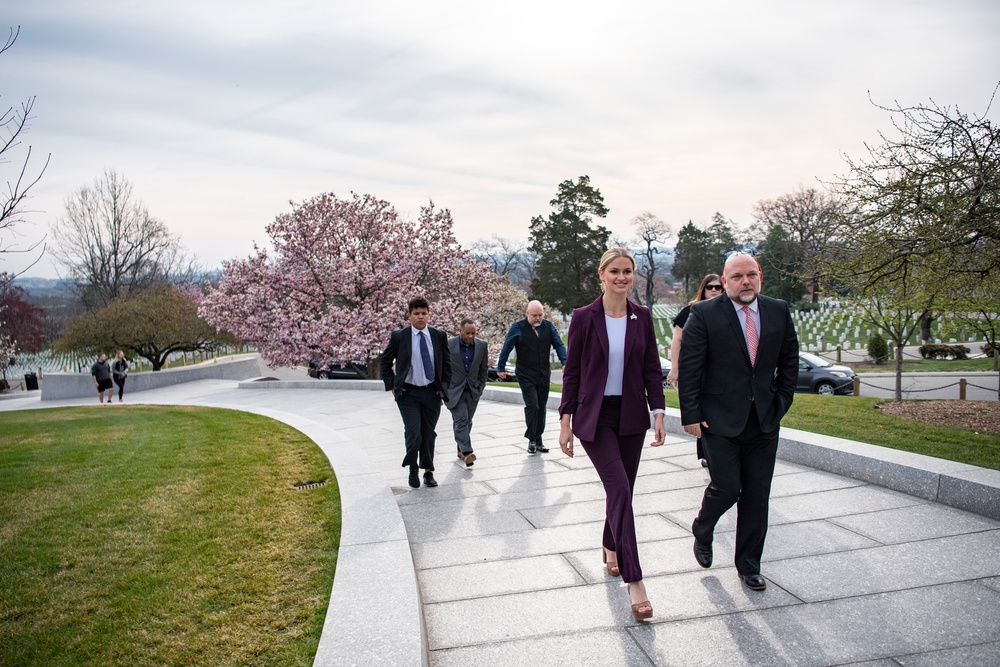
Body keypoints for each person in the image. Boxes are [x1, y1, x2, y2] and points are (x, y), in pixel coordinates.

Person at [678, 251, 799, 591]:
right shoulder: (703, 314)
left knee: (757, 495)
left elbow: (790, 360)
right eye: (737, 277)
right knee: (728, 487)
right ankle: (703, 526)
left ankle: (749, 565)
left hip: (764, 419)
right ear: (725, 279)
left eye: (751, 275)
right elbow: (690, 369)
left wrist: (782, 401)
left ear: (759, 275)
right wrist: (692, 414)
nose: (745, 282)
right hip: (719, 420)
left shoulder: (778, 310)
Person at [558, 248, 666, 621]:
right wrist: (565, 420)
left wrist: (659, 412)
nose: (622, 277)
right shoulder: (584, 318)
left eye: (628, 272)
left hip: (632, 417)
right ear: (601, 275)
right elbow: (572, 372)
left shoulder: (643, 317)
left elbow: (652, 369)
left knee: (623, 490)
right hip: (596, 418)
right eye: (615, 271)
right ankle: (636, 582)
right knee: (619, 489)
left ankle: (609, 545)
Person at [380, 296, 452, 489]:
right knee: (414, 432)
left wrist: (442, 388)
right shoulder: (400, 337)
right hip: (408, 394)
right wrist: (393, 386)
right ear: (409, 315)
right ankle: (412, 466)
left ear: (429, 314)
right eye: (416, 314)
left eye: (424, 313)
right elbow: (385, 362)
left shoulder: (438, 336)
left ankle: (428, 471)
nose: (420, 317)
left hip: (431, 393)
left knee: (428, 434)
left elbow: (447, 365)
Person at [667, 273, 723, 467]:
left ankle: (713, 454)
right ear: (703, 289)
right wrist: (675, 368)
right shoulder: (690, 310)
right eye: (710, 287)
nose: (714, 290)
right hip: (696, 372)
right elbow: (677, 340)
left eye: (718, 287)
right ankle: (708, 455)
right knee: (702, 413)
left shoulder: (727, 310)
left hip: (718, 372)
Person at [496, 300, 567, 454]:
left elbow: (559, 345)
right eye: (534, 315)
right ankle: (532, 440)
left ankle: (538, 440)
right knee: (532, 405)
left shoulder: (548, 327)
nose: (537, 318)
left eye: (540, 315)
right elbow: (507, 347)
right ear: (527, 313)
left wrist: (565, 362)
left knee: (541, 408)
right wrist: (500, 367)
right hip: (525, 374)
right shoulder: (517, 328)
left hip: (543, 374)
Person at [444, 319, 489, 467]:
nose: (470, 336)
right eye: (467, 333)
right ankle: (467, 452)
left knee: (467, 421)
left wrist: (481, 386)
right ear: (460, 331)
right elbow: (442, 368)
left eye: (473, 333)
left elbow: (483, 369)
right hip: (453, 390)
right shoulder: (449, 344)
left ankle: (459, 449)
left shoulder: (482, 346)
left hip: (473, 390)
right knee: (461, 419)